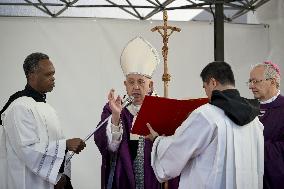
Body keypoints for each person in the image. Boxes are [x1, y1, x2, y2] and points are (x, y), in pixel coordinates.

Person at [147, 61, 264, 189]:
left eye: (205, 87)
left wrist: (158, 140)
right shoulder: (255, 121)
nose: (206, 93)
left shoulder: (206, 115)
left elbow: (176, 152)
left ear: (213, 82)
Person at [94, 37, 179, 189]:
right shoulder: (113, 109)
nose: (136, 87)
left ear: (151, 85)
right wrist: (115, 117)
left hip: (155, 180)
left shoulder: (163, 108)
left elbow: (176, 150)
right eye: (131, 82)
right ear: (125, 85)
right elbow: (108, 149)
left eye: (141, 82)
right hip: (125, 179)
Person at [0, 52, 86, 189]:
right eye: (48, 75)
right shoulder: (19, 107)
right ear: (31, 75)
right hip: (29, 182)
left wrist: (63, 176)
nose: (53, 78)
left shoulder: (47, 108)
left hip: (52, 182)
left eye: (53, 74)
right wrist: (65, 145)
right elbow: (27, 149)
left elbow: (55, 142)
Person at [249, 61, 284, 189]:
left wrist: (256, 148)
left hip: (275, 178)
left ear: (273, 82)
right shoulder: (247, 108)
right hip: (249, 177)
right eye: (250, 81)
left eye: (255, 81)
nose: (251, 86)